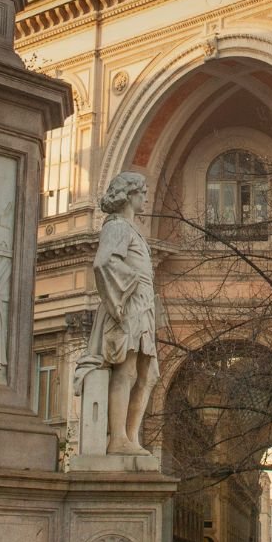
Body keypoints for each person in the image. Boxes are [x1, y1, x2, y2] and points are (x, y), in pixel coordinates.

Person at [74, 172, 160, 453]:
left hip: (143, 307)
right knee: (126, 370)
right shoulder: (117, 226)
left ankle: (131, 437)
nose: (146, 197)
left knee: (147, 375)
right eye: (142, 192)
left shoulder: (131, 229)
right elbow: (104, 262)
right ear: (129, 195)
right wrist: (128, 289)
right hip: (128, 304)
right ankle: (118, 439)